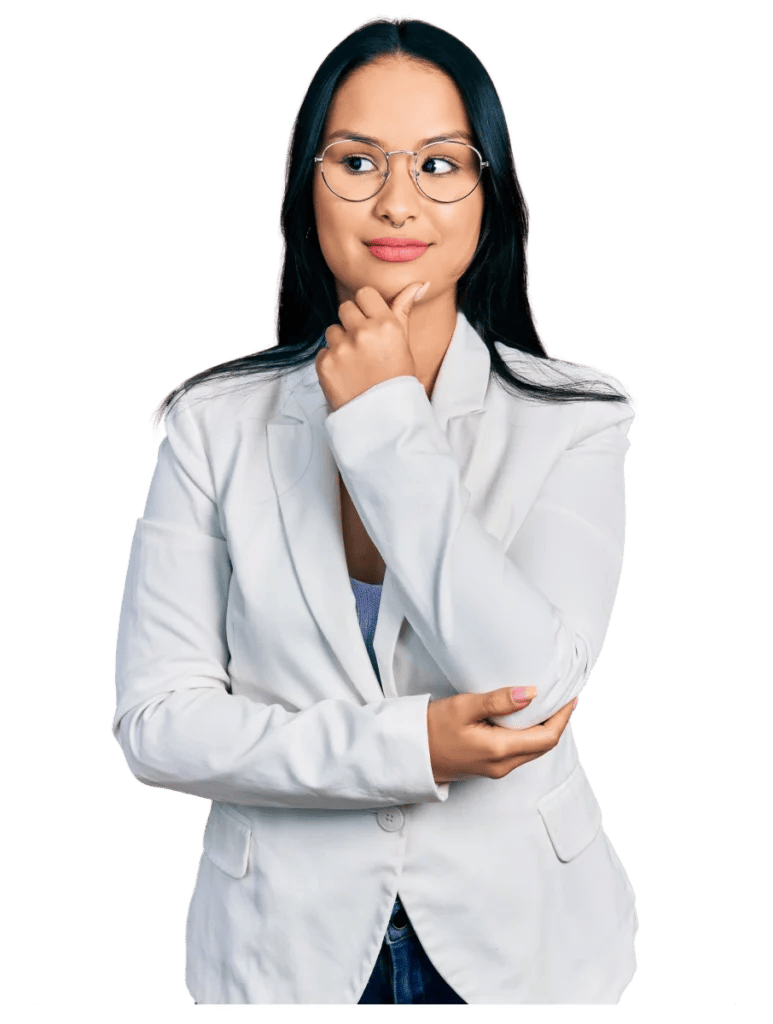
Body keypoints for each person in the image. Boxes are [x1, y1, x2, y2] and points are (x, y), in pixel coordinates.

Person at [111, 13, 640, 1005]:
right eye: (356, 160)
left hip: (524, 940)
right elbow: (158, 725)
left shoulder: (576, 418)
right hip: (280, 946)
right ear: (306, 182)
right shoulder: (210, 423)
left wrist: (384, 424)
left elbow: (529, 682)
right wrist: (413, 748)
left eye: (439, 164)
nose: (396, 199)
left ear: (489, 193)